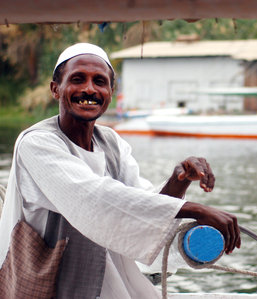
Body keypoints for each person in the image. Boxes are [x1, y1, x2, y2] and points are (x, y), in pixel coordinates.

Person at [0, 43, 241, 299]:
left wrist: (178, 180)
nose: (89, 89)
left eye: (100, 82)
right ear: (55, 88)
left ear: (110, 92)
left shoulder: (111, 143)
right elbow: (93, 199)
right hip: (52, 288)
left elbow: (139, 207)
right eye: (77, 79)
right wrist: (197, 209)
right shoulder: (36, 143)